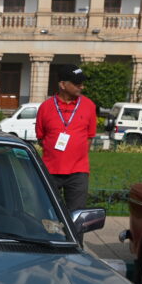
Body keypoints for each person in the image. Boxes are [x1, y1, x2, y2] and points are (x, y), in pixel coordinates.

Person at [34, 65, 97, 213]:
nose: (82, 86)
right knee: (47, 213)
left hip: (78, 172)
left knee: (77, 216)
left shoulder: (89, 106)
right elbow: (41, 138)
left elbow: (89, 137)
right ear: (62, 84)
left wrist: (77, 155)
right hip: (50, 171)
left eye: (82, 83)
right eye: (77, 83)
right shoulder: (45, 107)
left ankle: (74, 238)